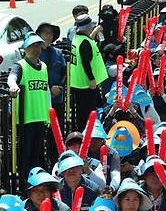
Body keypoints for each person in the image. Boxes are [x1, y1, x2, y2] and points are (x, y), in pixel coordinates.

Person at [7, 33, 51, 180]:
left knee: (38, 154)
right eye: (32, 46)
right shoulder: (20, 66)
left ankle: (36, 182)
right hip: (26, 119)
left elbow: (47, 91)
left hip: (41, 118)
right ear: (25, 48)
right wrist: (13, 86)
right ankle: (27, 185)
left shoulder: (43, 66)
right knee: (26, 156)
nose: (36, 49)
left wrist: (49, 115)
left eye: (38, 45)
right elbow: (11, 78)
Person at [70, 14, 109, 132]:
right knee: (87, 114)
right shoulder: (85, 42)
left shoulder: (77, 38)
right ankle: (87, 135)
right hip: (86, 84)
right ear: (87, 28)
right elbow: (85, 62)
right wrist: (92, 79)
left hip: (79, 83)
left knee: (82, 113)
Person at [36, 22, 67, 163]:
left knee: (55, 133)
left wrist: (58, 86)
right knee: (40, 134)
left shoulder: (57, 53)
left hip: (56, 100)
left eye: (50, 33)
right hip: (41, 101)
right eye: (45, 32)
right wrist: (49, 88)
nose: (48, 35)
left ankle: (55, 161)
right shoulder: (35, 53)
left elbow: (65, 73)